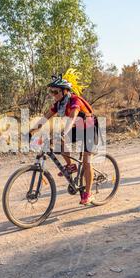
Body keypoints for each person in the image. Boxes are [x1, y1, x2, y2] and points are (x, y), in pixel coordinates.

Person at [30, 70, 97, 206]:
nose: (53, 95)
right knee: (60, 142)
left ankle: (88, 194)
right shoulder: (59, 104)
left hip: (90, 129)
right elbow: (45, 117)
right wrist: (31, 132)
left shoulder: (74, 101)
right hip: (78, 129)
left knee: (87, 161)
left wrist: (64, 133)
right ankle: (70, 166)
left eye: (55, 92)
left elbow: (72, 117)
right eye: (51, 92)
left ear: (65, 91)